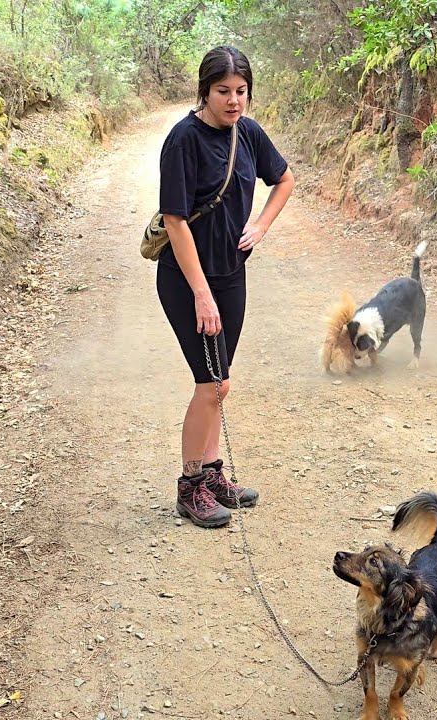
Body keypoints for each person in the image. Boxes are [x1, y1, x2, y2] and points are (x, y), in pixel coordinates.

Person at [156, 46, 295, 528]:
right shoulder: (183, 140)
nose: (234, 101)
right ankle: (190, 485)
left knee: (221, 383)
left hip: (232, 275)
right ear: (205, 91)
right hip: (188, 280)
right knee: (210, 383)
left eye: (241, 92)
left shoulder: (249, 133)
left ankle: (213, 474)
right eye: (223, 92)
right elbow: (174, 220)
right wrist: (200, 292)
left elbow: (284, 180)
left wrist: (261, 227)